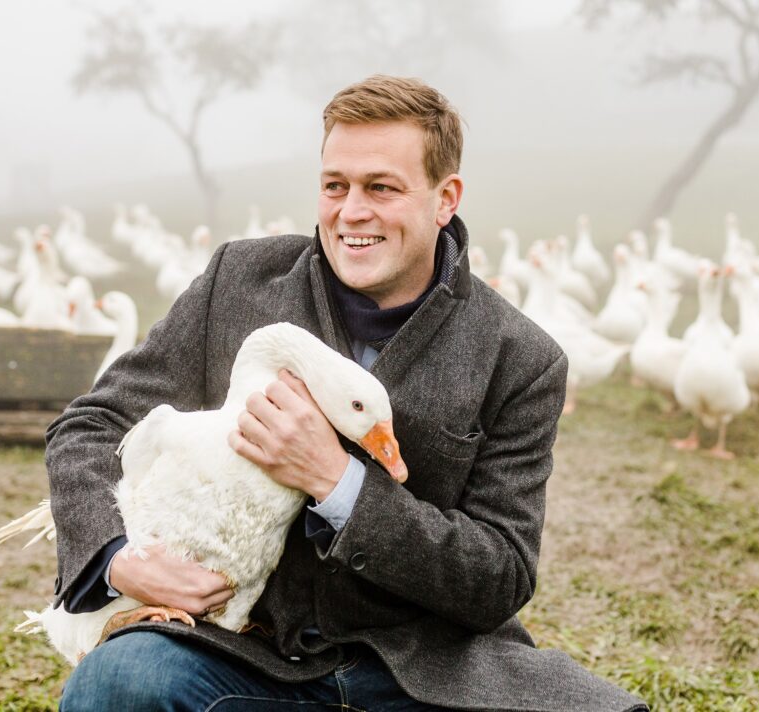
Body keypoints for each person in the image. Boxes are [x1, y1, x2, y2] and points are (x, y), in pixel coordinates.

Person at [48, 75, 647, 711]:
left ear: (445, 199)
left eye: (381, 188)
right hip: (241, 653)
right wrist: (117, 560)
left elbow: (498, 576)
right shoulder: (238, 283)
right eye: (336, 186)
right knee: (121, 685)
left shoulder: (519, 358)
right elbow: (91, 424)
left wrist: (338, 483)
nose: (351, 211)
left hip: (421, 669)